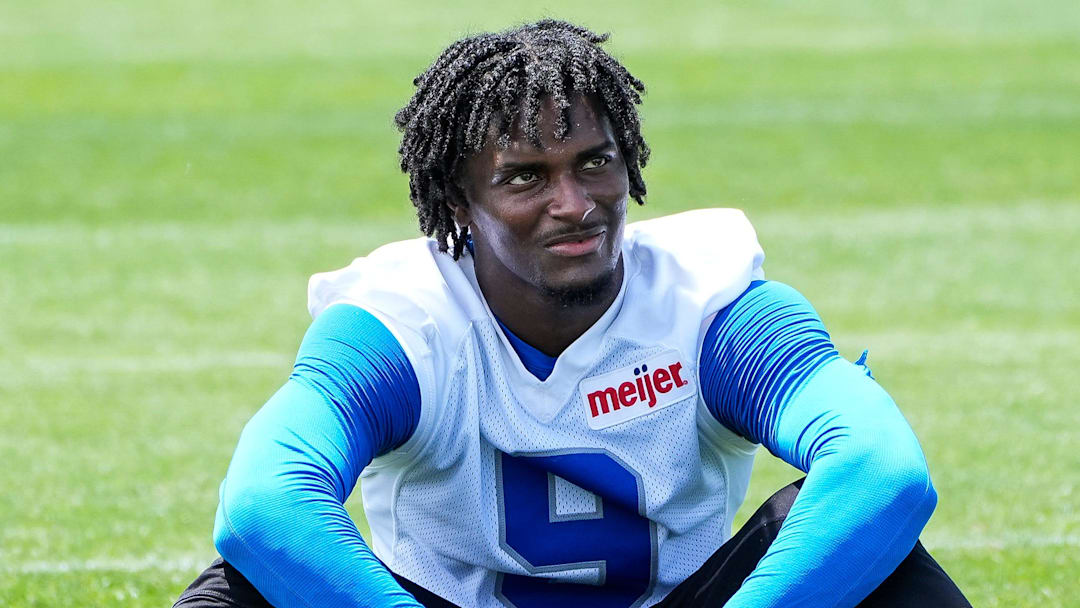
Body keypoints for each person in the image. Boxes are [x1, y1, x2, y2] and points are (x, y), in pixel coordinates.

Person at [175, 20, 969, 608]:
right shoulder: (401, 323)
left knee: (889, 567)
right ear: (457, 201)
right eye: (525, 177)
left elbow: (882, 470)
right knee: (237, 592)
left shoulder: (712, 303)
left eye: (595, 161)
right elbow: (263, 507)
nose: (574, 204)